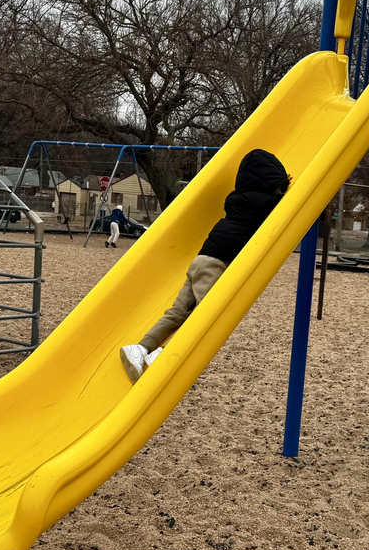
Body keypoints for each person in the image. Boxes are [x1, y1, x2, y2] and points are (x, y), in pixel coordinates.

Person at [119, 149, 293, 382]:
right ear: (269, 182)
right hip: (216, 263)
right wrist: (286, 189)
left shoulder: (237, 198)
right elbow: (283, 207)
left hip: (202, 259)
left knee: (178, 311)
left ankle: (140, 348)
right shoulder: (264, 203)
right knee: (206, 315)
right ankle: (165, 353)